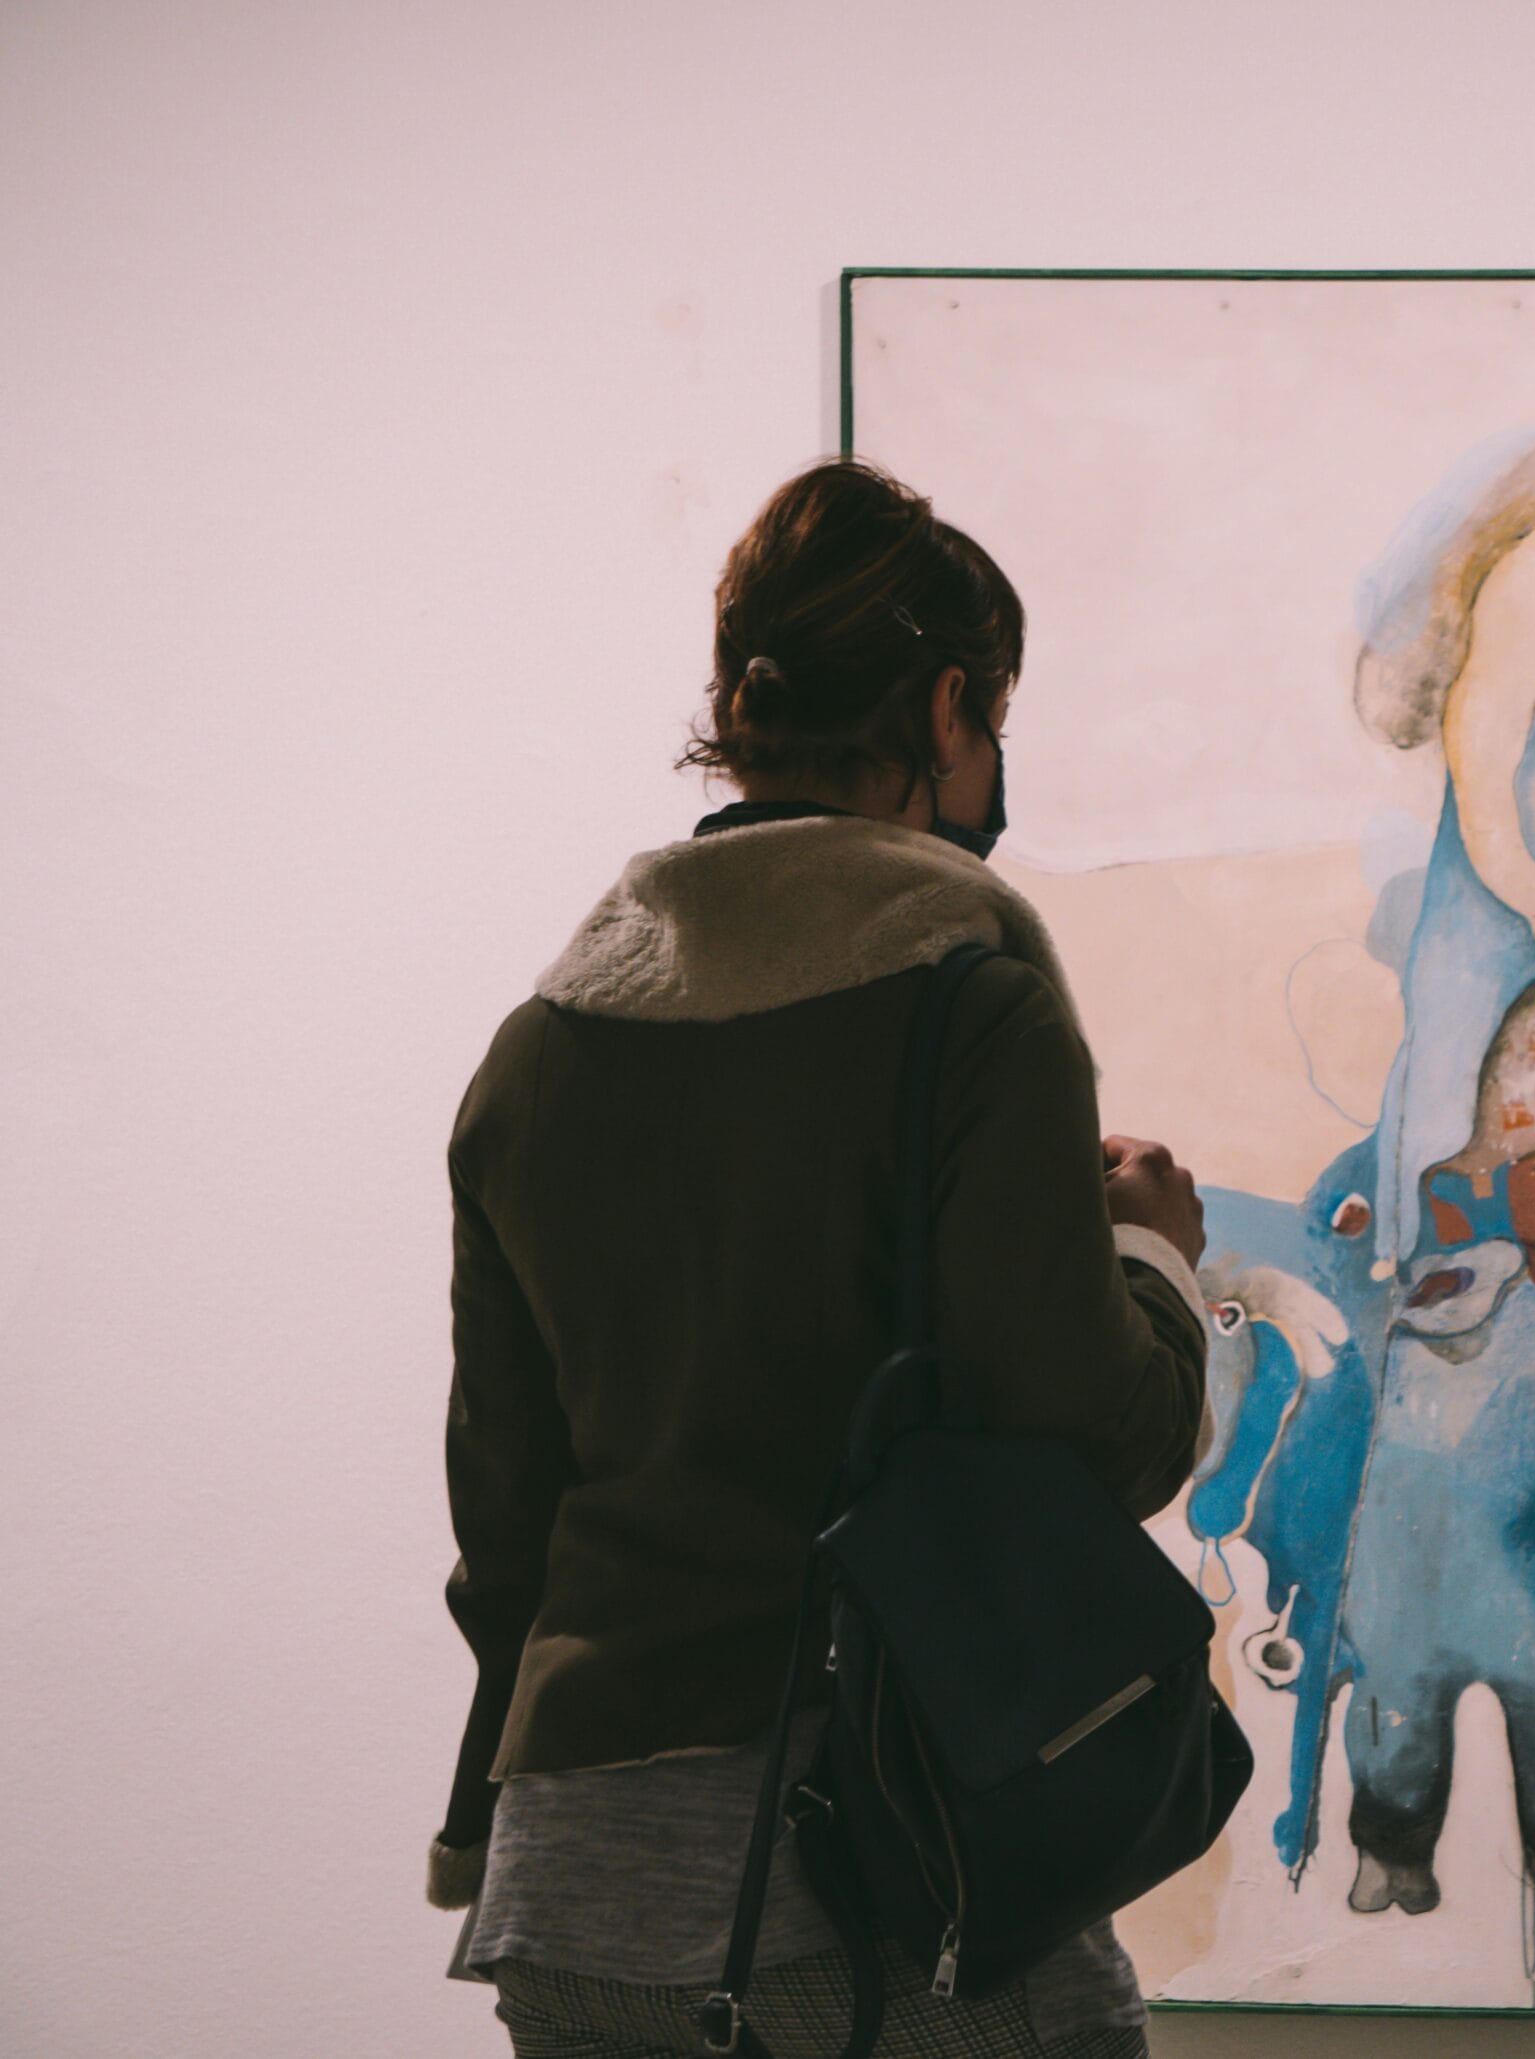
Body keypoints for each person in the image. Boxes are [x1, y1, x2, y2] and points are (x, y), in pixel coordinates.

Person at [428, 459, 1213, 2059]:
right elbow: (1089, 1436)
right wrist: (1151, 1257)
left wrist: (472, 1828)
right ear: (943, 712)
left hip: (571, 1899)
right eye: (991, 723)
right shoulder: (967, 1003)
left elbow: (503, 1523)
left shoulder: (538, 1051)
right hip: (862, 1876)